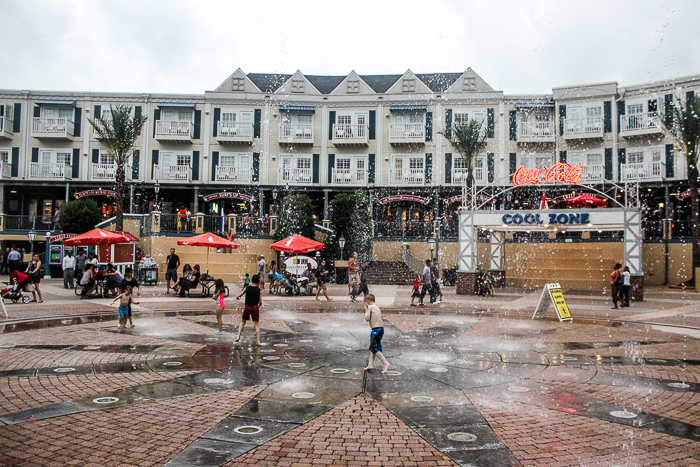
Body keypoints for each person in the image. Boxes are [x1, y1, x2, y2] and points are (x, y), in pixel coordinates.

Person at [363, 293, 390, 374]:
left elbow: (367, 318)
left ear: (367, 301)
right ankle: (370, 364)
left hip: (375, 330)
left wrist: (366, 309)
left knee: (375, 348)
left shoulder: (370, 307)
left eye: (364, 302)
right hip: (380, 329)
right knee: (373, 347)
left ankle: (385, 363)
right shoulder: (376, 307)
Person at [235, 274, 262, 345]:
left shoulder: (247, 288)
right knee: (256, 324)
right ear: (259, 281)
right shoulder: (258, 290)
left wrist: (237, 297)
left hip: (247, 307)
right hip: (255, 307)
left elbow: (239, 295)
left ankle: (238, 336)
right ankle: (258, 341)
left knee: (243, 322)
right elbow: (260, 302)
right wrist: (258, 306)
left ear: (251, 280)